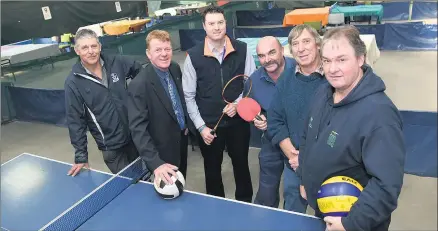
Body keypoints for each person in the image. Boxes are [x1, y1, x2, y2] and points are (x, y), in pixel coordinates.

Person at [297, 26, 405, 231]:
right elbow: (308, 137)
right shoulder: (323, 92)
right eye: (327, 60)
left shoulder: (380, 114)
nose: (332, 69)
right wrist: (304, 177)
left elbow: (386, 185)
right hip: (325, 210)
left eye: (341, 59)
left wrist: (349, 224)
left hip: (354, 222)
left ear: (361, 59)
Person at [182, 5, 256, 202]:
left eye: (220, 22)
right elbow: (188, 96)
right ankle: (216, 207)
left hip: (238, 123)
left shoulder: (242, 49)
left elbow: (251, 82)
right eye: (212, 23)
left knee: (241, 165)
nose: (216, 27)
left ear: (226, 24)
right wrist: (200, 127)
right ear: (204, 26)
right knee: (212, 169)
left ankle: (246, 204)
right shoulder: (193, 56)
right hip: (209, 127)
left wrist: (238, 104)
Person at [65, 28, 143, 176]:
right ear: (77, 51)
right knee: (129, 185)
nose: (91, 51)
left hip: (135, 136)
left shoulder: (116, 62)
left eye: (94, 46)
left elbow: (140, 71)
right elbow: (75, 121)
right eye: (85, 47)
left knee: (145, 178)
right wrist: (81, 156)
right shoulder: (73, 82)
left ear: (100, 47)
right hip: (111, 148)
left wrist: (136, 98)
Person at [268, 25, 327, 212]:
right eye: (295, 44)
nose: (301, 48)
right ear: (291, 51)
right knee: (293, 216)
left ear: (318, 44)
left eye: (306, 41)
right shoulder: (285, 80)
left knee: (327, 217)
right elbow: (275, 120)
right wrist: (293, 155)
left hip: (326, 165)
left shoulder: (333, 79)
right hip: (293, 163)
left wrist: (308, 159)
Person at [127, 30, 193, 184]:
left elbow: (179, 100)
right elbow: (138, 129)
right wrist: (156, 163)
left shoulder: (175, 68)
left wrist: (186, 123)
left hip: (181, 142)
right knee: (168, 194)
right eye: (158, 50)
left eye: (167, 49)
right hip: (161, 152)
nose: (164, 54)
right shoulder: (139, 85)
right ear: (148, 54)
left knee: (181, 184)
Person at [247, 36, 296, 208]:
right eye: (261, 56)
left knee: (294, 194)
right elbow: (254, 110)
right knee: (266, 195)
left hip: (297, 143)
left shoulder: (300, 70)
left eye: (272, 52)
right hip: (271, 141)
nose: (267, 59)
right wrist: (257, 120)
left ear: (282, 50)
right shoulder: (253, 81)